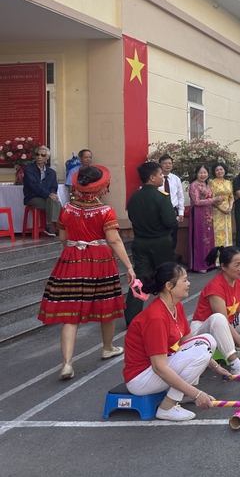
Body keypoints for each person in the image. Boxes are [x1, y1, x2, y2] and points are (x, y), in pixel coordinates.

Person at [38, 165, 134, 380]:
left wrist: (73, 249)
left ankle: (66, 363)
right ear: (100, 188)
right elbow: (114, 240)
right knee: (106, 304)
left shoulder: (67, 209)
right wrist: (129, 266)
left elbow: (62, 237)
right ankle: (107, 347)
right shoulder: (105, 211)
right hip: (99, 258)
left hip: (71, 258)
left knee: (71, 314)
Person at [123, 263, 230, 421]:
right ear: (169, 286)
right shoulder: (156, 317)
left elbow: (189, 341)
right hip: (140, 378)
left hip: (155, 369)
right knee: (201, 350)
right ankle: (167, 407)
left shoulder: (175, 306)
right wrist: (197, 394)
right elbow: (159, 367)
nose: (189, 284)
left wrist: (215, 366)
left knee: (207, 341)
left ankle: (180, 394)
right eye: (184, 280)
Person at [190, 246, 240, 378]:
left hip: (223, 326)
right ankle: (235, 364)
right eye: (237, 265)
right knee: (218, 318)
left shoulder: (239, 282)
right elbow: (221, 319)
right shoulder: (216, 287)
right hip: (202, 331)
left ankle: (237, 352)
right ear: (223, 266)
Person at [126, 162, 178, 326]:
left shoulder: (134, 197)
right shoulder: (161, 196)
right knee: (169, 278)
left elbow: (132, 218)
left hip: (140, 242)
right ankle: (170, 312)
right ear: (152, 177)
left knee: (139, 279)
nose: (162, 177)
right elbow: (170, 221)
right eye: (160, 174)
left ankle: (132, 317)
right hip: (161, 242)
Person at [188, 164, 224, 273]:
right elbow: (197, 202)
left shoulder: (207, 184)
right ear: (196, 174)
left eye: (205, 173)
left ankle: (209, 263)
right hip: (198, 215)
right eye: (200, 173)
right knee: (199, 239)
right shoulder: (194, 185)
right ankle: (199, 265)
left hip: (208, 214)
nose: (203, 175)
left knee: (208, 239)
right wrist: (214, 199)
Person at [22, 145, 60, 237]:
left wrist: (52, 194)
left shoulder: (51, 172)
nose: (39, 157)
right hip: (32, 197)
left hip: (46, 198)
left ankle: (51, 227)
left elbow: (54, 187)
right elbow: (33, 185)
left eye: (42, 155)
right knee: (55, 203)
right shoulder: (29, 169)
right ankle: (54, 226)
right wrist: (48, 194)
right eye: (37, 154)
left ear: (47, 157)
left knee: (53, 201)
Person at [159, 155, 185, 250]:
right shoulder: (156, 178)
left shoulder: (176, 179)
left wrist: (181, 212)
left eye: (170, 163)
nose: (167, 165)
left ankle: (171, 257)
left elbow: (180, 197)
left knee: (173, 236)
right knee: (161, 235)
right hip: (160, 211)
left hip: (173, 211)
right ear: (160, 165)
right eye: (165, 163)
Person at [209, 163, 233, 247]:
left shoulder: (228, 182)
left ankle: (228, 254)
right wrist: (222, 209)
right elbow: (211, 199)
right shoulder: (212, 183)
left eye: (221, 169)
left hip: (228, 211)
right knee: (218, 232)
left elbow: (231, 197)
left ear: (225, 170)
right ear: (214, 172)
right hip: (217, 211)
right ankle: (218, 256)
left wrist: (230, 207)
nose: (219, 171)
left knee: (227, 230)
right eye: (217, 170)